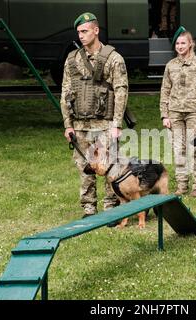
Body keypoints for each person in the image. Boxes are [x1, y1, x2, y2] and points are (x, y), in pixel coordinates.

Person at [60, 12, 129, 218]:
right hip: (80, 125)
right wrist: (67, 124)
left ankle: (111, 207)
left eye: (85, 31)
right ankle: (89, 208)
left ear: (96, 30)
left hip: (105, 123)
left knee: (109, 166)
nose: (81, 35)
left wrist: (117, 123)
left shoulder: (113, 59)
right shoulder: (72, 60)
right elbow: (65, 93)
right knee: (84, 168)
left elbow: (121, 91)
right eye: (79, 32)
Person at [160, 26, 196, 197]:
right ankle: (182, 185)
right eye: (177, 44)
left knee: (195, 149)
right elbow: (165, 90)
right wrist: (164, 114)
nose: (180, 46)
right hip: (175, 112)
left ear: (190, 44)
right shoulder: (171, 65)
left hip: (194, 112)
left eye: (183, 43)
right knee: (178, 149)